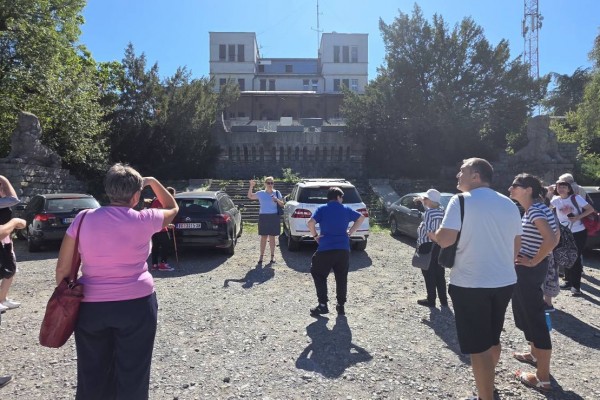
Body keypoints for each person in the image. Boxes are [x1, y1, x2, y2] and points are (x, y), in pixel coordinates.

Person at [55, 163, 178, 400]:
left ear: (108, 190)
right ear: (136, 196)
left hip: (90, 305)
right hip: (137, 304)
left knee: (92, 372)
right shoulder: (146, 219)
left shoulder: (83, 218)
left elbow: (62, 268)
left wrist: (65, 297)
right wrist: (152, 181)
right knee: (134, 371)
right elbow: (172, 207)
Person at [432, 158, 522, 400]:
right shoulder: (509, 203)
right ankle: (488, 386)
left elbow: (446, 239)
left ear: (476, 176)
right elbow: (516, 245)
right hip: (504, 280)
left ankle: (485, 396)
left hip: (471, 282)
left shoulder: (460, 200)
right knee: (492, 338)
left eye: (462, 171)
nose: (457, 175)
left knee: (478, 346)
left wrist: (436, 233)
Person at [508, 174, 559, 393]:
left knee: (534, 317)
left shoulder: (536, 210)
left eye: (515, 185)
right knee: (525, 313)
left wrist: (534, 260)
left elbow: (552, 239)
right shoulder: (538, 208)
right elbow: (554, 236)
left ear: (528, 189)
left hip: (528, 270)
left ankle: (542, 378)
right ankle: (534, 354)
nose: (510, 188)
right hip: (529, 268)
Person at [306, 187, 365, 316]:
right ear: (338, 197)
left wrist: (315, 236)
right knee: (341, 277)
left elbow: (310, 223)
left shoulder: (322, 209)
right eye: (342, 197)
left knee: (318, 274)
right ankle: (341, 305)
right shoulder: (346, 209)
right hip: (343, 249)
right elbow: (361, 218)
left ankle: (323, 305)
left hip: (326, 248)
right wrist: (350, 232)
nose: (342, 200)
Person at [550, 176, 595, 296]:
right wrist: (548, 193)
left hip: (578, 232)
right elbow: (546, 208)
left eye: (564, 187)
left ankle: (576, 287)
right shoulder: (555, 199)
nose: (561, 189)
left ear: (569, 189)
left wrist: (577, 217)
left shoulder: (575, 198)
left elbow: (590, 209)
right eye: (559, 187)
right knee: (566, 256)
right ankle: (569, 282)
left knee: (575, 257)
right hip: (564, 232)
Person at [415, 188, 448, 307]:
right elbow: (431, 211)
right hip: (439, 246)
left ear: (430, 200)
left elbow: (429, 232)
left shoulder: (429, 213)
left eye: (426, 198)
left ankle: (431, 300)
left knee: (428, 274)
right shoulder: (442, 210)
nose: (424, 200)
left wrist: (436, 241)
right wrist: (440, 243)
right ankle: (443, 301)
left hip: (428, 245)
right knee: (440, 273)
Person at [247, 177, 284, 264]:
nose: (270, 185)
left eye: (272, 183)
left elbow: (282, 204)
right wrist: (251, 186)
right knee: (263, 237)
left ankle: (272, 256)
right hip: (263, 216)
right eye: (268, 183)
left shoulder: (277, 192)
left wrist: (277, 200)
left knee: (272, 237)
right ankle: (261, 256)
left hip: (274, 216)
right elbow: (250, 196)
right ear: (265, 184)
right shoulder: (261, 193)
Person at [0, 176, 23, 313]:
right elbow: (14, 199)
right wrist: (3, 178)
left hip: (5, 239)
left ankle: (2, 298)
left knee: (11, 268)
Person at [150, 187, 176, 271]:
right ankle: (163, 264)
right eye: (172, 196)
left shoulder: (156, 201)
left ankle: (154, 265)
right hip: (161, 229)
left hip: (154, 229)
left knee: (155, 247)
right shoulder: (160, 202)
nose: (173, 198)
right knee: (166, 246)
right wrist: (168, 225)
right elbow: (158, 217)